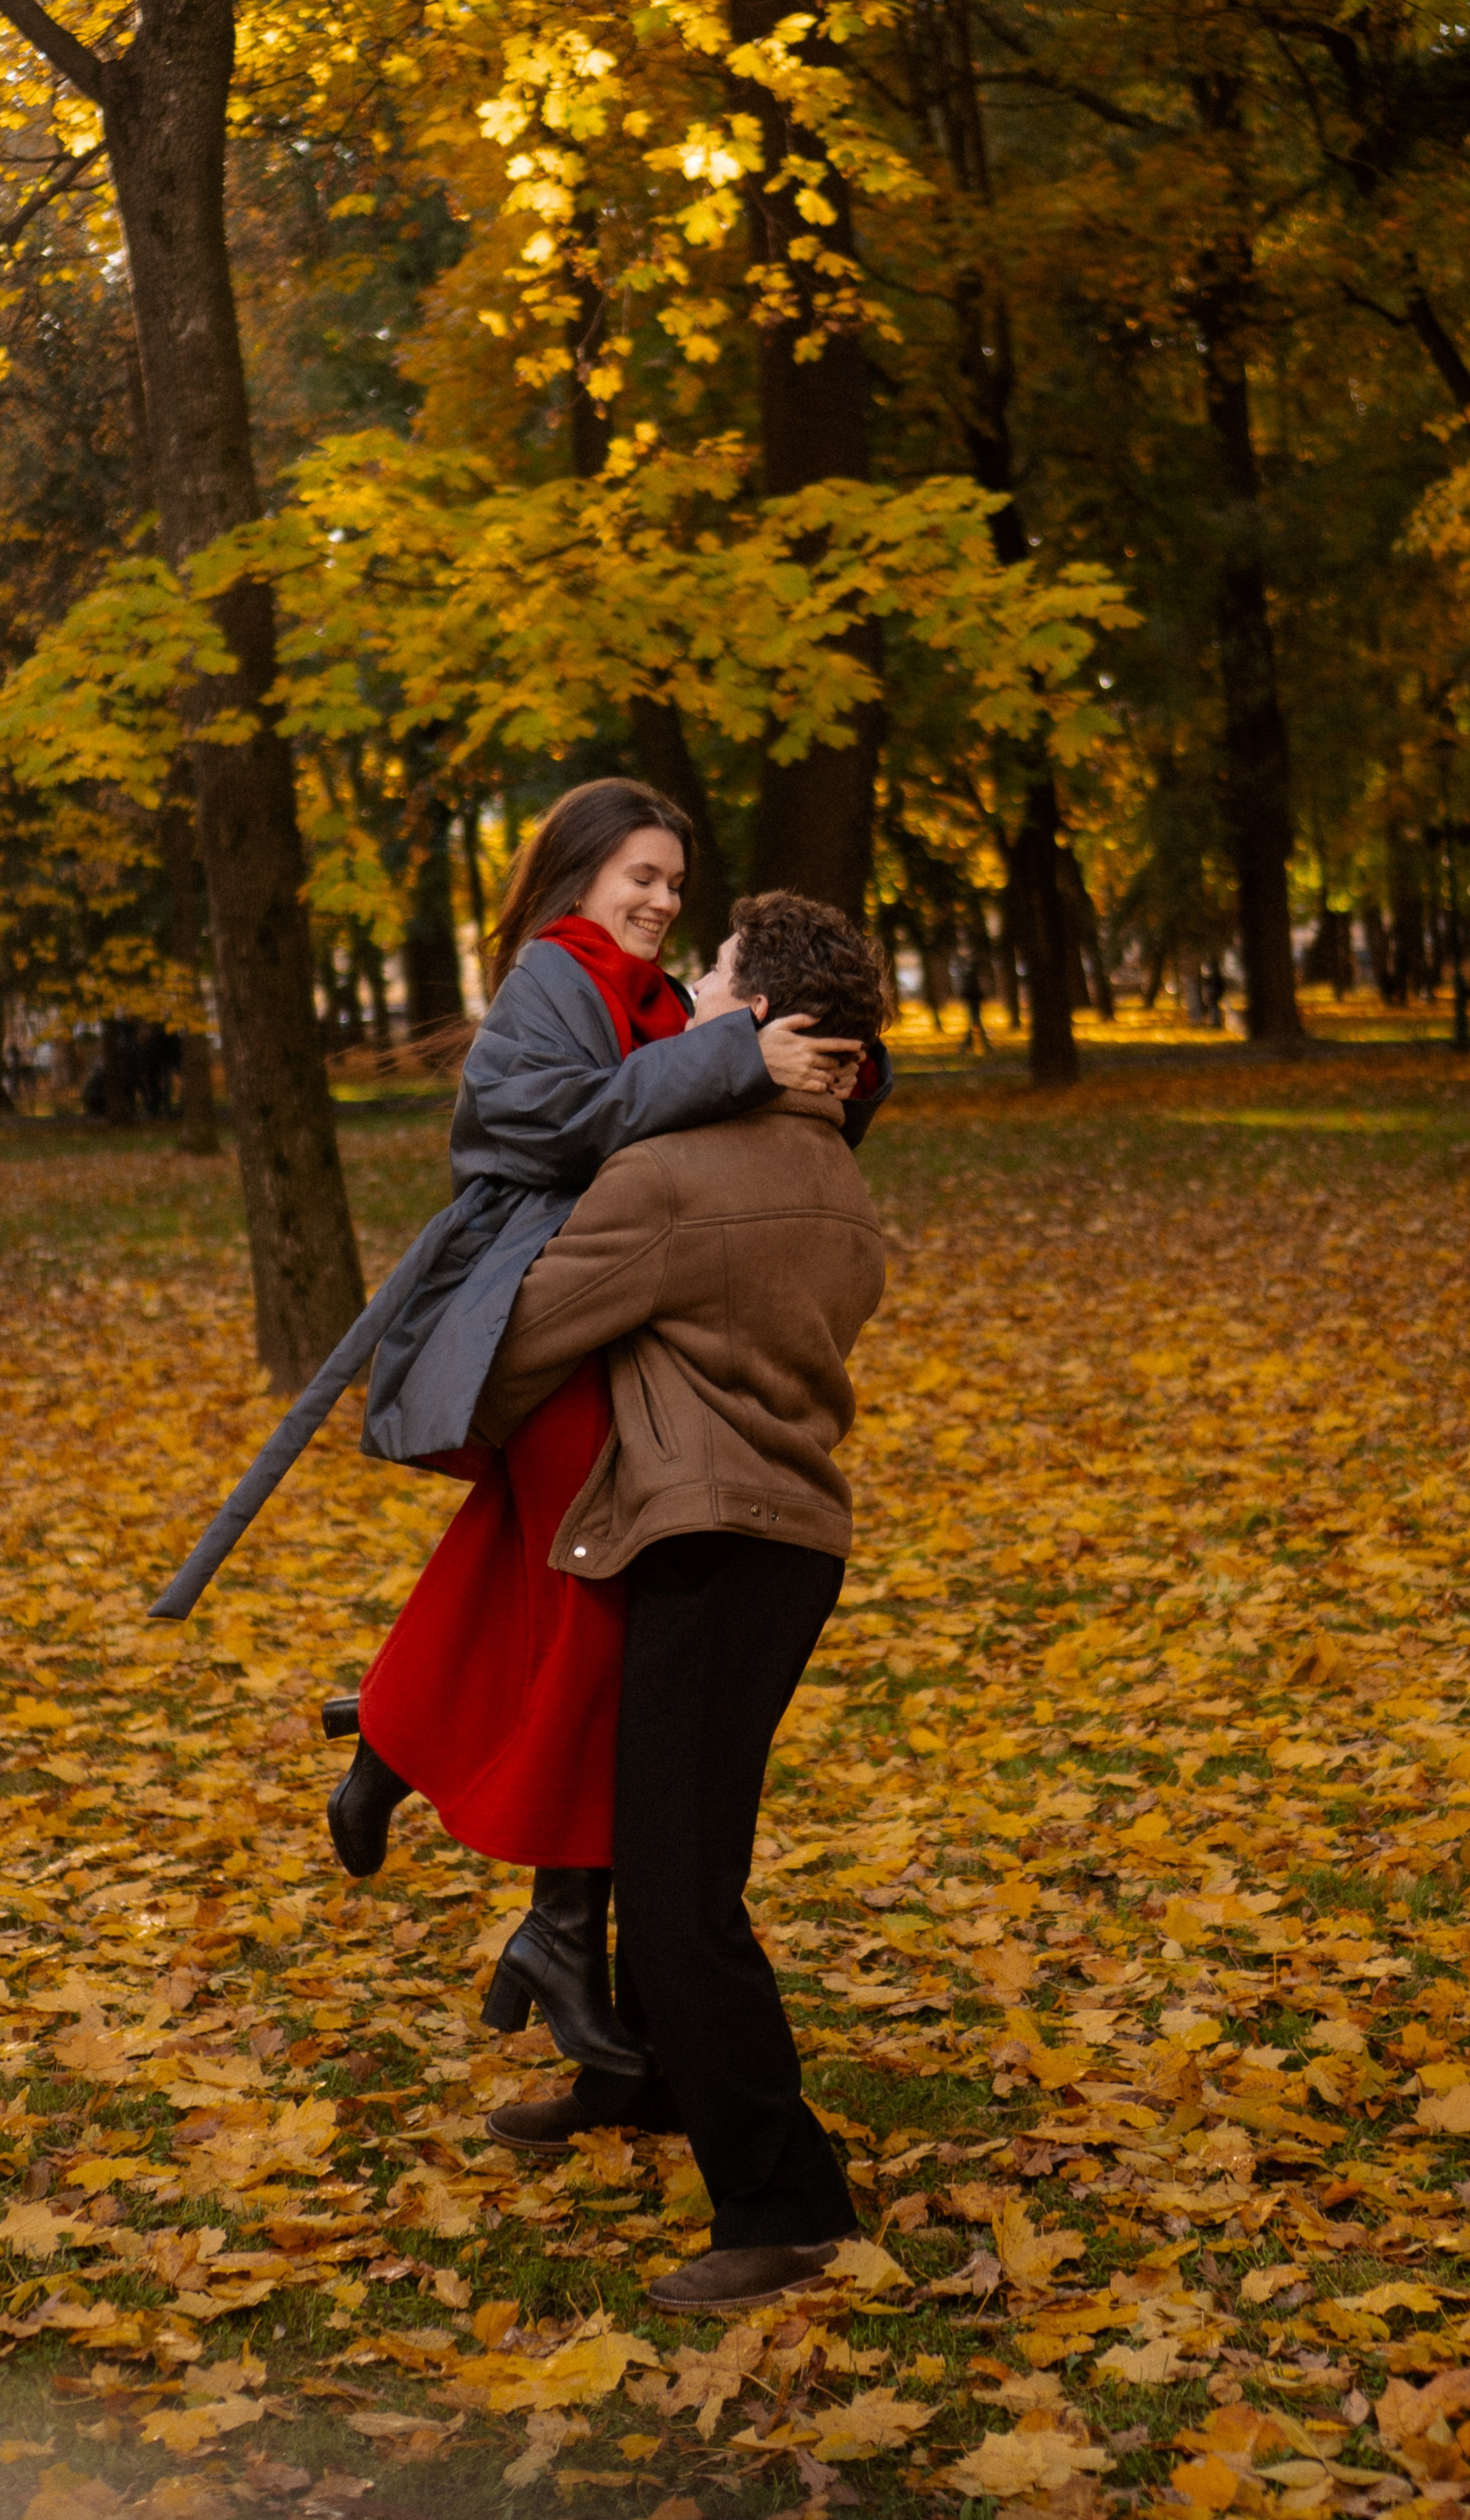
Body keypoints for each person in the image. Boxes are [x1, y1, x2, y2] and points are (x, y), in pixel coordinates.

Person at [324, 780, 884, 2091]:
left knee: (569, 1608)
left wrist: (822, 1048)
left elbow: (720, 1065)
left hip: (616, 1329)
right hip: (554, 1310)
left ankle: (430, 1779)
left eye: (676, 884)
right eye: (640, 874)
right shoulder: (550, 980)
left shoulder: (647, 995)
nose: (661, 901)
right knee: (595, 1628)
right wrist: (742, 1058)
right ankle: (545, 1908)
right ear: (576, 872)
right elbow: (543, 1124)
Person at [464, 892, 891, 2313]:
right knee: (657, 1833)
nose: (688, 987)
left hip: (709, 1541)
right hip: (788, 1540)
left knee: (675, 1890)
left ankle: (787, 2204)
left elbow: (518, 1344)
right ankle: (639, 2081)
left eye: (712, 972)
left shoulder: (673, 1176)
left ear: (755, 1017)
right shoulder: (835, 1173)